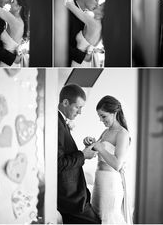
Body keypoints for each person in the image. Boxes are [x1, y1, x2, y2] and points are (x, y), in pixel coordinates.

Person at [84, 95, 133, 224]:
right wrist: (90, 144)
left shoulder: (122, 133)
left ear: (115, 113)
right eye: (99, 116)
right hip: (99, 181)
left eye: (103, 116)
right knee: (96, 217)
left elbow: (117, 164)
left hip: (110, 184)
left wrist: (100, 148)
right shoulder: (106, 132)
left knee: (108, 218)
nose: (101, 120)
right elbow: (95, 153)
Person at [57, 84, 101, 224]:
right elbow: (57, 163)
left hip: (74, 197)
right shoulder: (56, 123)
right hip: (69, 199)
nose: (80, 112)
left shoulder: (61, 122)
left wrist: (84, 150)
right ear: (65, 102)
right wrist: (83, 155)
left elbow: (65, 154)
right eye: (78, 107)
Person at [0, 0, 30, 67]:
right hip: (11, 61)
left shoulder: (14, 20)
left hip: (7, 63)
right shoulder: (21, 22)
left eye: (12, 2)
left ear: (19, 7)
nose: (9, 4)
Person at [68, 0, 101, 66]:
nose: (97, 5)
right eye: (96, 0)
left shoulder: (86, 15)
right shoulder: (66, 12)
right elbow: (59, 43)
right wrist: (83, 56)